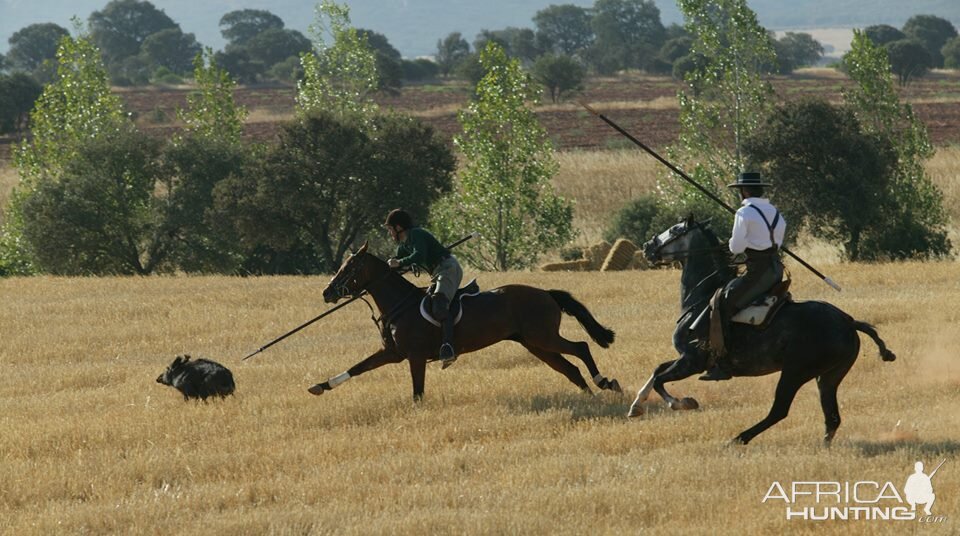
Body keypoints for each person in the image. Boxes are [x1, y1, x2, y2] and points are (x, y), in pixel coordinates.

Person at [701, 171, 786, 381]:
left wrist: (733, 245)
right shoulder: (775, 213)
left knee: (721, 304)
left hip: (758, 272)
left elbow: (736, 246)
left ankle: (722, 363)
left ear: (744, 191)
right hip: (776, 269)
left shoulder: (744, 213)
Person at [384, 208, 464, 368]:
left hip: (447, 268)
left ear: (399, 227)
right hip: (436, 273)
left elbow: (418, 255)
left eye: (390, 229)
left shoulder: (416, 234)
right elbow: (397, 262)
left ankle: (449, 348)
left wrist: (399, 263)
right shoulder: (404, 244)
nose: (390, 233)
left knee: (440, 304)